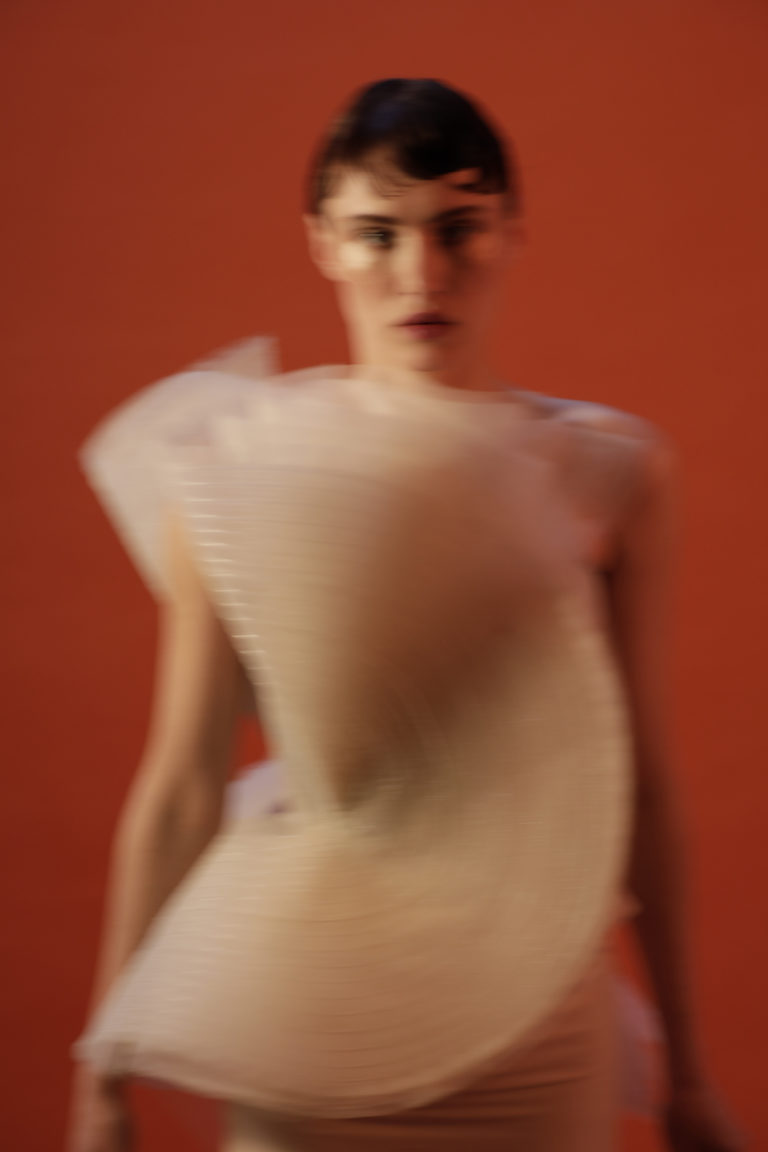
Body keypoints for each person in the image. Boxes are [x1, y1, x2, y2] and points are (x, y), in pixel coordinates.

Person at [67, 78, 745, 1152]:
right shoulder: (240, 466)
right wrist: (100, 1080)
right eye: (378, 234)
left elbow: (642, 789)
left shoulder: (610, 470)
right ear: (324, 243)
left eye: (458, 229)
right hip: (308, 1010)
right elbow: (183, 783)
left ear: (512, 232)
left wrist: (689, 1078)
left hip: (534, 1031)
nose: (422, 274)